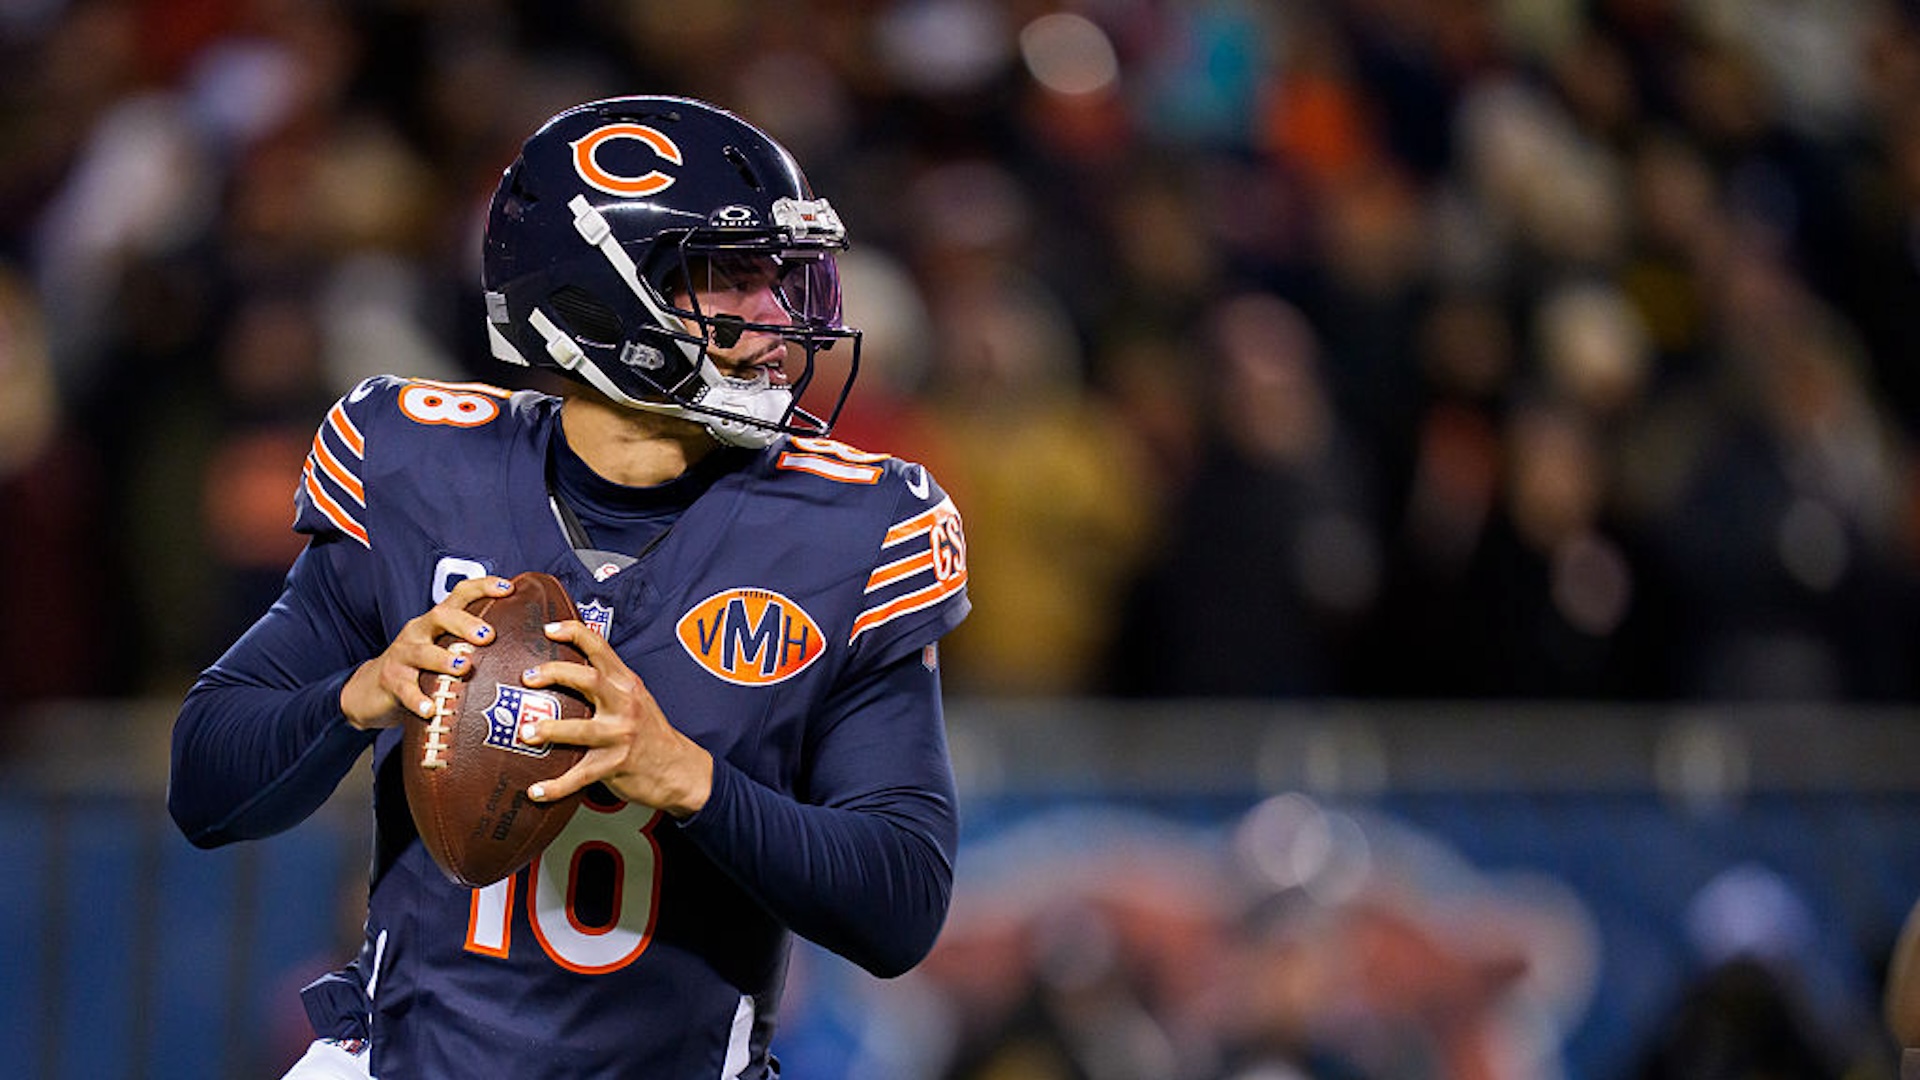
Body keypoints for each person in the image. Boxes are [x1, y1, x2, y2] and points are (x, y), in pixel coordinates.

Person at [167, 95, 971, 1079]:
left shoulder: (852, 530)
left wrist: (686, 778)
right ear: (599, 294)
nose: (775, 319)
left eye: (779, 278)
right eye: (728, 278)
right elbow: (205, 787)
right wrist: (359, 694)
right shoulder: (420, 467)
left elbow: (902, 905)